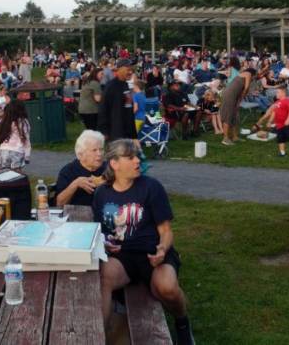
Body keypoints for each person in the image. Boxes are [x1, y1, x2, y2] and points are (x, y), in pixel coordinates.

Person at [93, 140, 194, 344]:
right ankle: (98, 336)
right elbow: (99, 231)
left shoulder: (151, 187)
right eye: (131, 157)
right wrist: (103, 243)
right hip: (122, 257)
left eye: (137, 156)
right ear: (114, 163)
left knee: (166, 289)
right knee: (103, 277)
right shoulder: (102, 193)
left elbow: (166, 231)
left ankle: (182, 323)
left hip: (153, 253)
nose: (138, 160)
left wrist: (162, 250)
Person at [55, 130, 106, 206]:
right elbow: (59, 203)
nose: (99, 154)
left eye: (101, 149)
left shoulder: (109, 169)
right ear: (80, 155)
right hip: (77, 215)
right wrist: (75, 184)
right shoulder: (69, 171)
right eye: (94, 150)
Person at [98, 58, 137, 142]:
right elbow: (103, 109)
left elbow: (129, 109)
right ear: (119, 69)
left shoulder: (126, 85)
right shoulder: (111, 87)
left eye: (131, 70)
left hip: (127, 132)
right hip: (116, 133)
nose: (131, 72)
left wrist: (134, 135)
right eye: (128, 69)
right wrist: (104, 131)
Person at [219, 68, 256, 145]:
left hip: (233, 95)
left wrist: (239, 100)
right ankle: (225, 138)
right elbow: (246, 88)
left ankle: (234, 136)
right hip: (229, 95)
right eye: (254, 77)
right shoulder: (248, 74)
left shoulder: (243, 75)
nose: (253, 79)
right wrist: (241, 99)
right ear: (252, 74)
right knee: (228, 116)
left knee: (234, 116)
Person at [0, 100, 31, 170]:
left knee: (4, 173)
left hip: (3, 150)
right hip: (17, 150)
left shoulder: (7, 121)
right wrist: (27, 156)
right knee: (16, 175)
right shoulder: (23, 122)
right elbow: (26, 140)